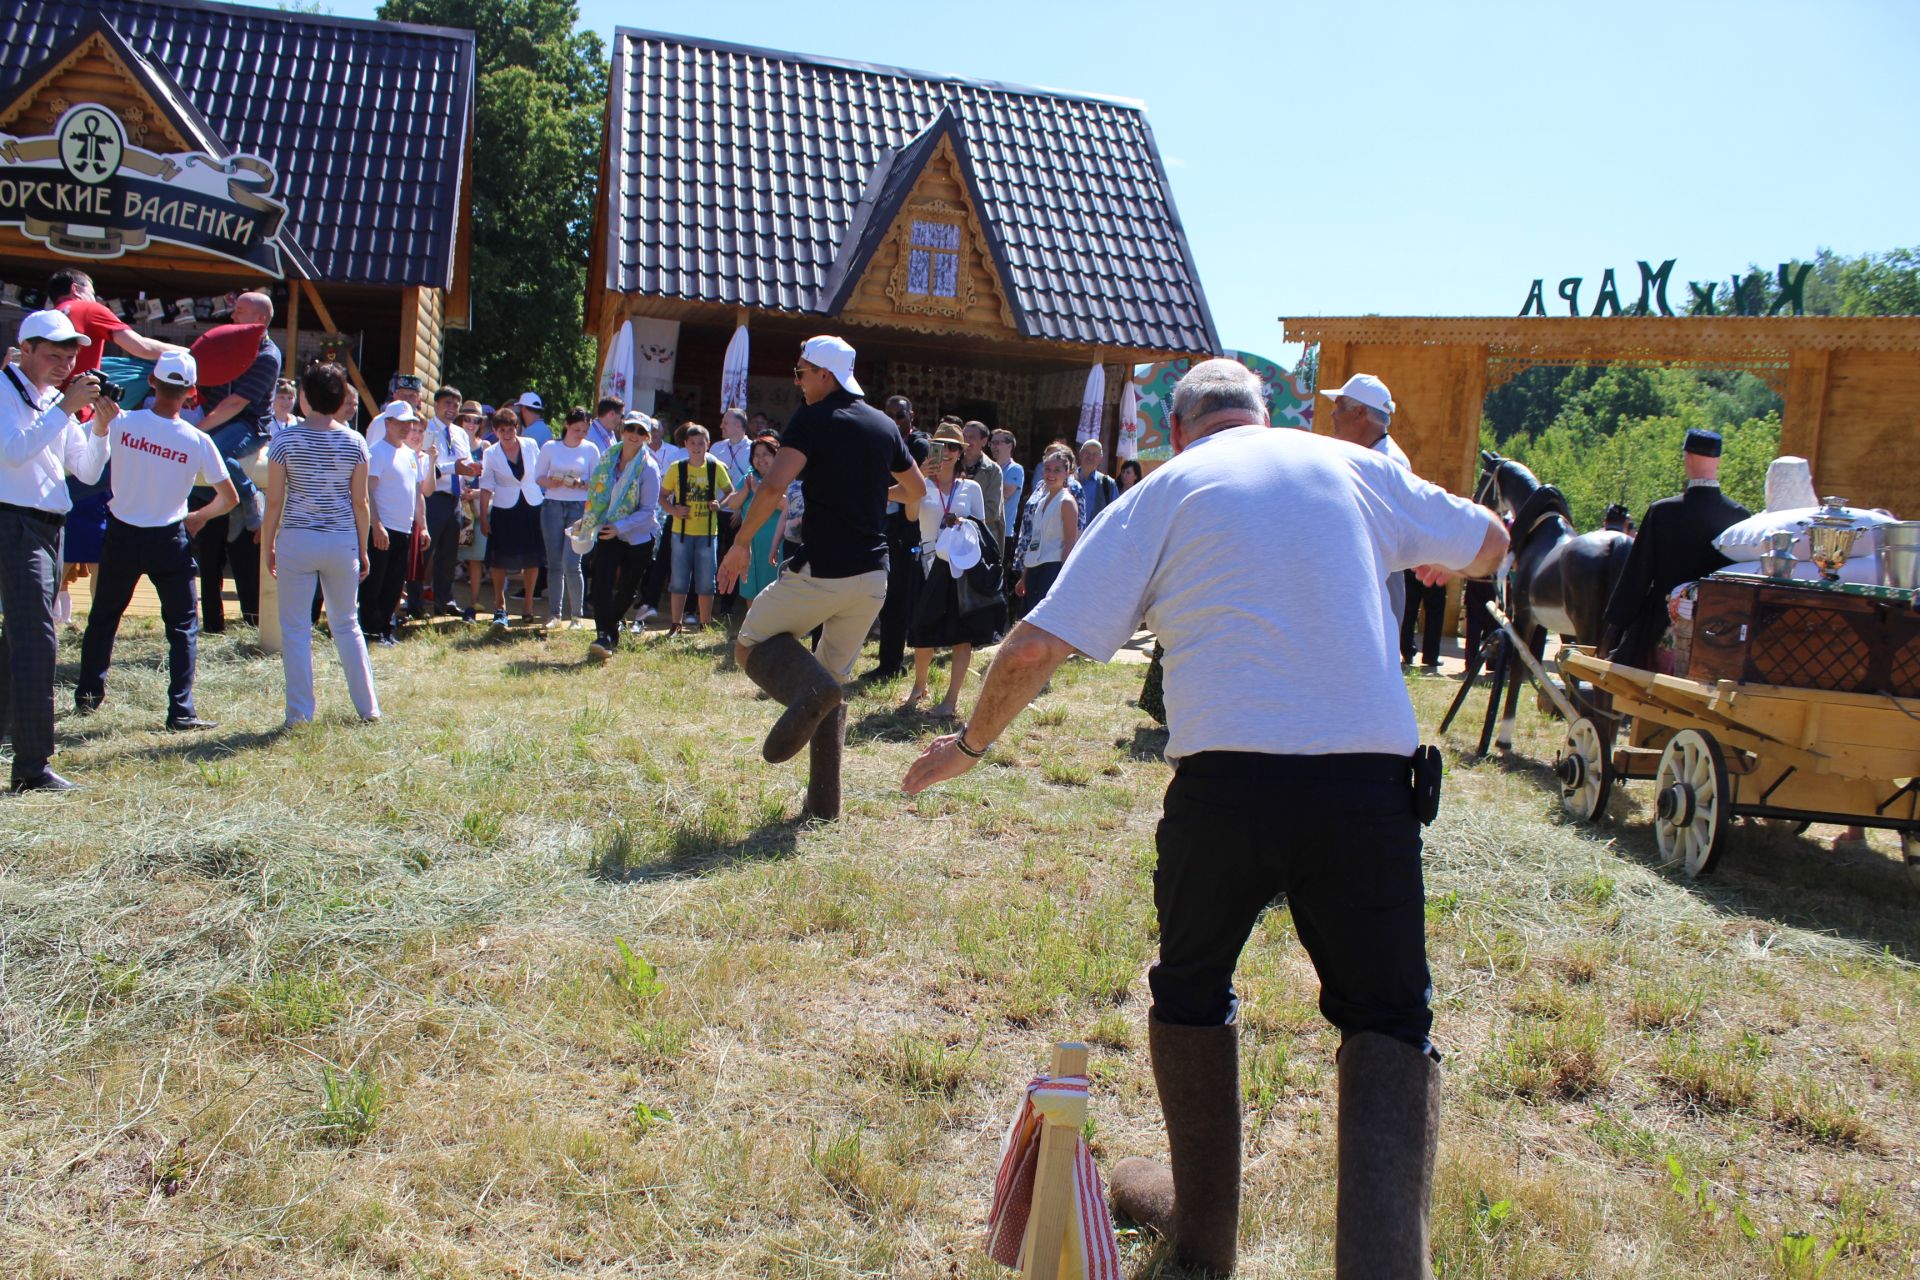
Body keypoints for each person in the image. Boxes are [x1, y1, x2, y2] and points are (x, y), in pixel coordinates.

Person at [903, 358, 1508, 1277]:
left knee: (1191, 991)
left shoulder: (1165, 489)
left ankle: (1203, 1245)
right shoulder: (1352, 464)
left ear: (1178, 431)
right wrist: (1433, 553)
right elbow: (1493, 541)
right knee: (1388, 1019)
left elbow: (1031, 648)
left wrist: (968, 748)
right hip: (1368, 790)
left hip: (1222, 789)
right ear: (1267, 418)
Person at [721, 335, 925, 820]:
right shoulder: (882, 423)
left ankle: (810, 693)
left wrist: (741, 543)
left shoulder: (813, 419)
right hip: (873, 578)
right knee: (831, 683)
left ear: (824, 376)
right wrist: (872, 489)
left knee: (747, 646)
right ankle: (824, 805)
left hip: (822, 573)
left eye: (801, 373)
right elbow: (916, 490)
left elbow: (773, 485)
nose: (796, 382)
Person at [75, 350, 236, 728]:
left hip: (121, 534)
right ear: (192, 392)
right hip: (169, 537)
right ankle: (181, 710)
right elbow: (229, 498)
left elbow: (84, 454)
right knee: (182, 627)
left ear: (152, 382)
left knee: (104, 617)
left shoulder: (121, 422)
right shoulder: (197, 440)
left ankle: (87, 696)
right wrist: (198, 517)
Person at [1, 310, 114, 792]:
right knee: (35, 640)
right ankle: (31, 765)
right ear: (24, 350)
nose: (65, 365)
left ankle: (21, 750)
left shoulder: (49, 398)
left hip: (43, 525)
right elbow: (12, 450)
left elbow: (86, 471)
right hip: (14, 521)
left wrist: (102, 429)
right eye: (53, 355)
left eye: (70, 357)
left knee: (20, 643)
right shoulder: (8, 390)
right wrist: (65, 409)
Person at [261, 363, 379, 726]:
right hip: (342, 539)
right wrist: (362, 548)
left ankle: (299, 714)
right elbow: (360, 502)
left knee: (296, 628)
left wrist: (268, 544)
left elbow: (275, 501)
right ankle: (368, 708)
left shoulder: (285, 440)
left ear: (303, 398)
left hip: (298, 537)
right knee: (347, 625)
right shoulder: (355, 441)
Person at [1601, 428, 1749, 669]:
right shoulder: (1740, 517)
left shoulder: (1663, 511)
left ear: (1687, 458)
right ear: (1719, 461)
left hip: (1663, 627)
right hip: (1718, 634)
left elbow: (1637, 574)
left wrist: (1616, 623)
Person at [904, 422, 996, 717]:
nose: (946, 452)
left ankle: (951, 700)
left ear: (961, 453)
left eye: (953, 447)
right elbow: (910, 516)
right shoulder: (922, 483)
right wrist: (919, 479)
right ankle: (920, 686)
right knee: (922, 628)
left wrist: (961, 521)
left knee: (962, 633)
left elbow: (982, 527)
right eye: (940, 446)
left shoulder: (971, 487)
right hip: (929, 560)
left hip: (958, 566)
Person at [1323, 373, 1412, 650]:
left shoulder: (1385, 463)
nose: (1333, 415)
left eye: (1339, 407)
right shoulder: (1370, 456)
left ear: (1360, 412)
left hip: (1378, 580)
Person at [581, 412, 663, 659]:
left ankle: (610, 628)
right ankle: (604, 634)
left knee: (628, 588)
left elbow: (649, 512)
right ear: (622, 430)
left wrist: (621, 526)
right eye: (631, 429)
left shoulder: (649, 468)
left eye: (641, 432)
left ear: (647, 437)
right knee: (602, 582)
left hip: (638, 535)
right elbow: (598, 495)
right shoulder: (608, 458)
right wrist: (589, 520)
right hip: (609, 529)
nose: (634, 435)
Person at [193, 291, 281, 509]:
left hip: (249, 425)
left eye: (239, 311)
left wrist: (196, 431)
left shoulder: (267, 356)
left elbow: (236, 403)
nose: (232, 316)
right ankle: (231, 509)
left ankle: (250, 496)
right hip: (217, 421)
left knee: (216, 454)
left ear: (260, 319)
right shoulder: (227, 344)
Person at [868, 394, 930, 679]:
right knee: (878, 596)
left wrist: (879, 488)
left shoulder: (918, 445)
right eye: (889, 415)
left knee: (897, 599)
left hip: (907, 529)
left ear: (911, 417)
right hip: (881, 525)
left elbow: (909, 487)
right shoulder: (882, 440)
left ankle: (891, 665)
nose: (894, 421)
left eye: (900, 416)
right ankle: (888, 661)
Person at [358, 400, 429, 646]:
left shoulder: (410, 455)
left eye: (408, 423)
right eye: (399, 423)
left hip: (404, 529)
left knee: (395, 583)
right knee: (375, 581)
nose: (405, 428)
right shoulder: (377, 451)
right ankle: (370, 630)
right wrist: (376, 525)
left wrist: (424, 526)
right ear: (387, 423)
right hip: (383, 527)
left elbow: (417, 492)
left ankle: (385, 629)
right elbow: (368, 491)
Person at [660, 422, 735, 633]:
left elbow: (731, 492)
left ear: (708, 445)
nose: (696, 447)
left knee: (706, 581)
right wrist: (674, 511)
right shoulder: (677, 468)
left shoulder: (715, 467)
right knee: (679, 579)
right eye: (692, 443)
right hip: (681, 533)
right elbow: (663, 496)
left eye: (700, 443)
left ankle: (705, 624)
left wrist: (720, 504)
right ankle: (676, 624)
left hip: (708, 533)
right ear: (685, 444)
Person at [416, 386, 482, 617]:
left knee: (449, 554)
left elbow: (465, 467)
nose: (451, 409)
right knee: (423, 552)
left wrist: (472, 470)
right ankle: (415, 602)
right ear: (436, 405)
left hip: (455, 498)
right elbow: (424, 465)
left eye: (456, 405)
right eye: (447, 403)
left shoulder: (461, 433)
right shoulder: (427, 430)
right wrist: (452, 467)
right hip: (432, 497)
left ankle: (444, 600)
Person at [717, 432, 787, 639]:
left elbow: (786, 505)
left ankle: (774, 633)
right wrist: (747, 488)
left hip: (774, 543)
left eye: (766, 454)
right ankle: (753, 631)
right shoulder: (750, 476)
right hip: (748, 544)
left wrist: (759, 491)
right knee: (751, 587)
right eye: (756, 455)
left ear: (776, 456)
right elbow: (734, 503)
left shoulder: (783, 476)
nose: (760, 459)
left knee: (772, 588)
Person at [478, 406, 544, 625]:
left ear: (517, 428)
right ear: (495, 431)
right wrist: (484, 517)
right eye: (502, 430)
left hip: (532, 505)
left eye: (511, 428)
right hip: (504, 509)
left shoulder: (531, 445)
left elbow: (541, 473)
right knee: (500, 559)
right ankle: (500, 605)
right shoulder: (490, 453)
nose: (507, 434)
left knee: (532, 557)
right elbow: (486, 484)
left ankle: (528, 605)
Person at [536, 410, 602, 628]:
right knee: (554, 562)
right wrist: (552, 482)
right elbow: (539, 477)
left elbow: (598, 482)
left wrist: (580, 484)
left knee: (572, 563)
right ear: (566, 425)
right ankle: (555, 614)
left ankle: (576, 616)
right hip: (553, 505)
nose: (581, 434)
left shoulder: (591, 449)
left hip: (579, 507)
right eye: (576, 429)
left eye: (584, 430)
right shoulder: (550, 447)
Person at [1017, 448, 1079, 614]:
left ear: (1067, 473)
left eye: (1057, 470)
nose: (1051, 474)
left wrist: (1064, 578)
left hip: (1053, 567)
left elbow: (1070, 542)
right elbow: (1035, 541)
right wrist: (1024, 576)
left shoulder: (1067, 501)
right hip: (1034, 567)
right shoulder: (1042, 501)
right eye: (1048, 469)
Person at [454, 401, 490, 620]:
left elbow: (489, 478)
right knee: (449, 555)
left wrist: (476, 493)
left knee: (475, 557)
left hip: (475, 507)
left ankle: (473, 601)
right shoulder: (453, 440)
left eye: (476, 420)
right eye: (467, 419)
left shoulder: (484, 446)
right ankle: (444, 599)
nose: (471, 423)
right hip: (455, 503)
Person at [960, 421, 1005, 550]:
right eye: (964, 436)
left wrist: (961, 517)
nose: (966, 440)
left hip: (981, 539)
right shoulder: (952, 465)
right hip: (953, 537)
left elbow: (992, 511)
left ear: (984, 441)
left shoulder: (993, 470)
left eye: (971, 437)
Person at [1074, 438, 1119, 528]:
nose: (1091, 457)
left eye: (1095, 454)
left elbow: (1115, 514)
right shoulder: (1068, 480)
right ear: (1080, 454)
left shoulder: (1107, 484)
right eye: (1087, 453)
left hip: (1094, 540)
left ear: (1100, 459)